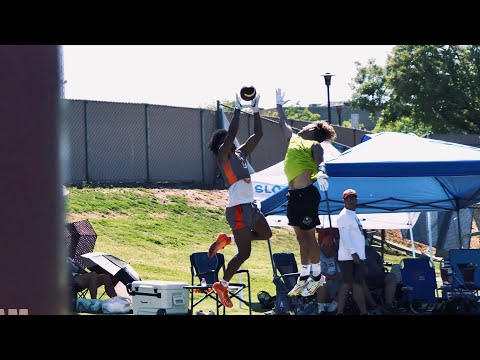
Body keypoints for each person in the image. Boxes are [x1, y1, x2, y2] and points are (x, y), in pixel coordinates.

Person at [207, 90, 273, 308]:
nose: (231, 139)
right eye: (226, 138)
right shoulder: (223, 155)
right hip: (236, 208)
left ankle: (228, 240)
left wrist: (255, 110)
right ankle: (222, 285)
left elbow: (258, 136)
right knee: (245, 253)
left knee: (266, 233)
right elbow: (232, 131)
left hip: (249, 207)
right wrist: (236, 108)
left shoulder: (240, 154)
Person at [276, 88, 337, 297]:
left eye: (308, 125)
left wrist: (321, 172)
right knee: (301, 239)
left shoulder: (314, 144)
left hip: (306, 194)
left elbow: (320, 160)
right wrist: (279, 106)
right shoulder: (293, 139)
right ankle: (304, 277)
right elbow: (283, 125)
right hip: (293, 196)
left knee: (310, 238)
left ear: (313, 130)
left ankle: (318, 276)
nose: (303, 126)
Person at [335, 189, 368, 315]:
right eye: (348, 198)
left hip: (356, 256)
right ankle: (341, 311)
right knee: (350, 284)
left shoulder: (352, 214)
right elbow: (344, 236)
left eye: (354, 197)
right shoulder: (344, 215)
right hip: (349, 257)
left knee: (354, 284)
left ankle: (359, 311)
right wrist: (353, 253)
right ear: (343, 200)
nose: (352, 200)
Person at [363, 245, 399, 314]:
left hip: (378, 275)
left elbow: (380, 260)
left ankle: (388, 304)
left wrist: (380, 266)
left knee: (392, 277)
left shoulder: (370, 249)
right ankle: (373, 305)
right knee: (360, 281)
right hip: (364, 278)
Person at [315, 227, 340, 314]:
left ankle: (332, 308)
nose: (327, 249)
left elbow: (340, 275)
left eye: (330, 247)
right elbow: (316, 274)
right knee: (323, 280)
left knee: (347, 283)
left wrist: (330, 277)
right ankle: (321, 310)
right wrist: (331, 277)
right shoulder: (316, 254)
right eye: (325, 246)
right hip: (320, 285)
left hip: (335, 283)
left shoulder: (337, 256)